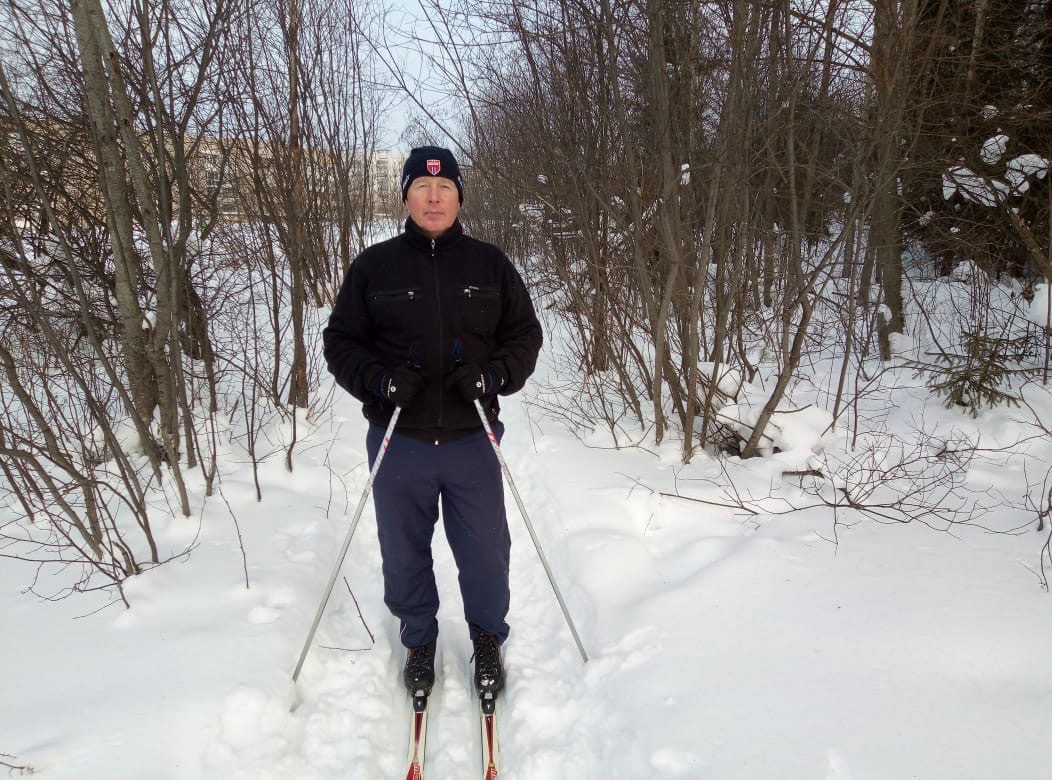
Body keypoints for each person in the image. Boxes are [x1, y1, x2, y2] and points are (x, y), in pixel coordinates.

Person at [322, 146, 543, 701]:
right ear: (406, 197)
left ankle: (486, 637)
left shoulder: (490, 264)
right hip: (400, 438)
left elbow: (524, 336)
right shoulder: (374, 266)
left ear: (460, 196)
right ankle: (418, 638)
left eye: (444, 188)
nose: (434, 197)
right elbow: (341, 343)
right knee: (403, 551)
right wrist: (380, 381)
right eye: (422, 187)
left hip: (472, 436)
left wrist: (492, 376)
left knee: (485, 549)